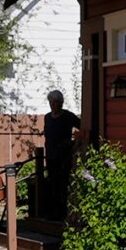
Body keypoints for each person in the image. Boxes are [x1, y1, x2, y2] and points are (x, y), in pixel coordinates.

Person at [40, 89, 80, 219]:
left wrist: (73, 143)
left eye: (57, 102)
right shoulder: (47, 117)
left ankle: (64, 213)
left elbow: (83, 127)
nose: (54, 104)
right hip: (51, 156)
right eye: (52, 102)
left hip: (64, 157)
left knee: (63, 184)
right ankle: (53, 212)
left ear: (61, 103)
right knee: (52, 184)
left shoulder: (68, 116)